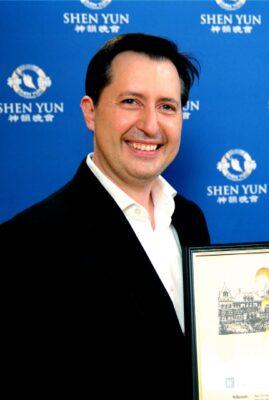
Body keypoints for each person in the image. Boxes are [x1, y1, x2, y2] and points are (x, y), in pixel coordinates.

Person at [1, 34, 210, 399]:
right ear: (90, 111)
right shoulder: (26, 243)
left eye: (167, 107)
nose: (150, 125)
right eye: (131, 102)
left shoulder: (190, 220)